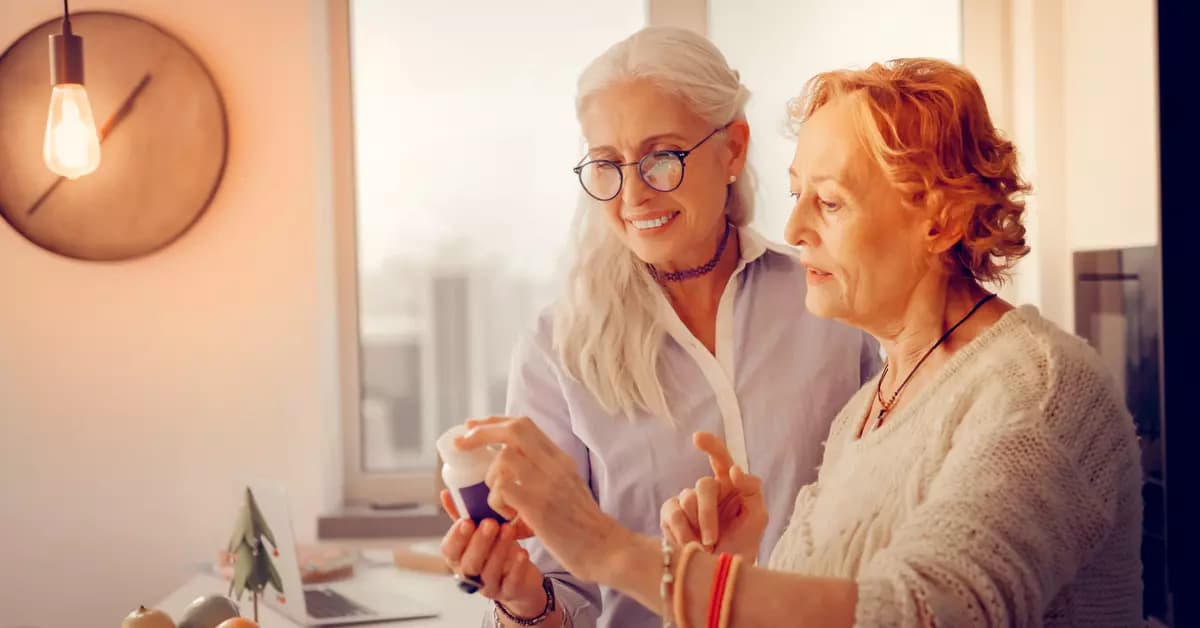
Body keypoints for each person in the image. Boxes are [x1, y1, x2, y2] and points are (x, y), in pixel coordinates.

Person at [455, 57, 1143, 627]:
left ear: (940, 218)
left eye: (831, 201)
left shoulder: (1038, 392)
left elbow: (921, 613)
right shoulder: (872, 409)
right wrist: (737, 568)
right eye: (796, 195)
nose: (797, 226)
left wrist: (611, 551)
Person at [438, 27, 878, 628]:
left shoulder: (828, 300)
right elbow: (565, 602)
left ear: (733, 149)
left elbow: (880, 516)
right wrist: (522, 597)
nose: (634, 195)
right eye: (607, 165)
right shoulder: (556, 349)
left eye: (661, 158)